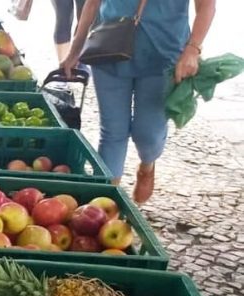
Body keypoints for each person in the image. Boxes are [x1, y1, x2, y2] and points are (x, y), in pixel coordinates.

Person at [61, 0, 215, 204]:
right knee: (112, 132)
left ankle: (147, 165)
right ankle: (105, 204)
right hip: (109, 47)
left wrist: (192, 50)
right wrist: (75, 50)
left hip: (164, 54)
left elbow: (206, 5)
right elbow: (92, 3)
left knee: (148, 134)